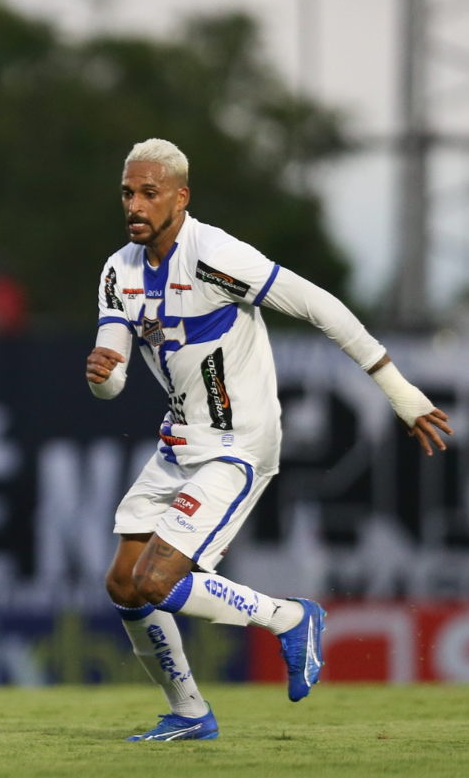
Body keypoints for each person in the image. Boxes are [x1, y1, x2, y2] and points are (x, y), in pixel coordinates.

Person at [88, 138, 453, 741]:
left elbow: (320, 307)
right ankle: (189, 713)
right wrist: (104, 376)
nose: (135, 204)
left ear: (181, 197)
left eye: (149, 193)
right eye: (128, 192)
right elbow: (114, 374)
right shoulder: (118, 271)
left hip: (237, 444)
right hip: (177, 443)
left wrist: (398, 390)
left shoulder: (216, 255)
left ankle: (289, 618)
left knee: (159, 581)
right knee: (123, 583)